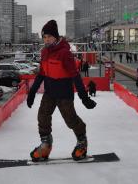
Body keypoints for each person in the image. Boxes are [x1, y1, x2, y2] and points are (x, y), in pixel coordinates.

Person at [26, 20, 96, 162]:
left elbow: (75, 76)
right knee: (42, 117)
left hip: (64, 94)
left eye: (49, 37)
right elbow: (42, 73)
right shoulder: (44, 52)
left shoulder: (65, 53)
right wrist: (32, 92)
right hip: (49, 93)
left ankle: (82, 141)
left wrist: (84, 97)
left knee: (71, 120)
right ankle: (46, 145)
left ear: (56, 37)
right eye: (44, 37)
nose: (46, 40)